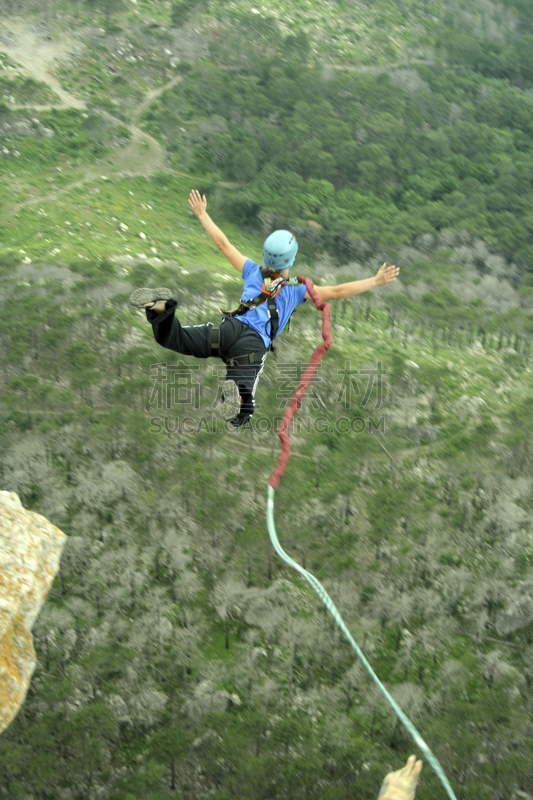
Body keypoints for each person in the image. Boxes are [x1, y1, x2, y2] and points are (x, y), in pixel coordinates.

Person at [129, 189, 400, 427]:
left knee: (174, 338)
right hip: (251, 346)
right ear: (290, 262)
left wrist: (202, 215)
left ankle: (160, 308)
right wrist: (375, 281)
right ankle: (238, 394)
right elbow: (338, 292)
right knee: (244, 408)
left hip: (227, 331)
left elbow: (223, 244)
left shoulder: (251, 270)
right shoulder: (296, 288)